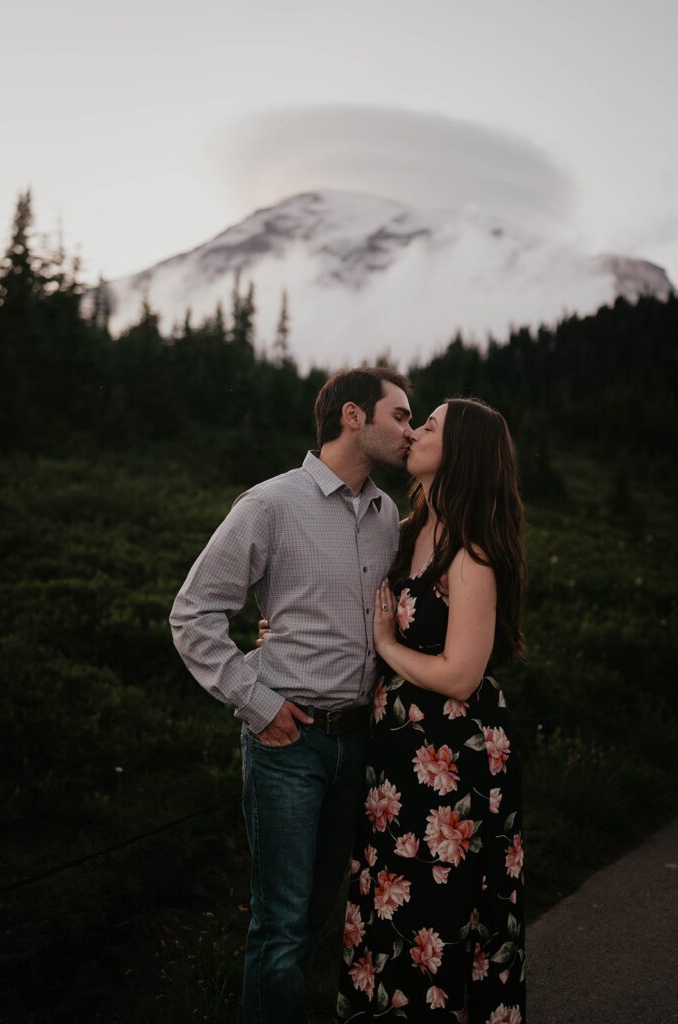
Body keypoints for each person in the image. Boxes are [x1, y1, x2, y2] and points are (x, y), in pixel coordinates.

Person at [169, 367, 413, 1024]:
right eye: (399, 415)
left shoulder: (388, 513)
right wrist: (257, 703)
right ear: (353, 417)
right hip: (289, 742)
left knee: (313, 920)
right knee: (279, 929)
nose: (409, 431)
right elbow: (192, 614)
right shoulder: (270, 504)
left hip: (359, 743)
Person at [337, 397, 526, 1023]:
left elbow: (462, 674)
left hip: (451, 761)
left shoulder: (471, 553)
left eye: (431, 426)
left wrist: (387, 646)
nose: (414, 432)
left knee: (435, 919)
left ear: (460, 454)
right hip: (397, 758)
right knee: (388, 905)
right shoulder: (409, 531)